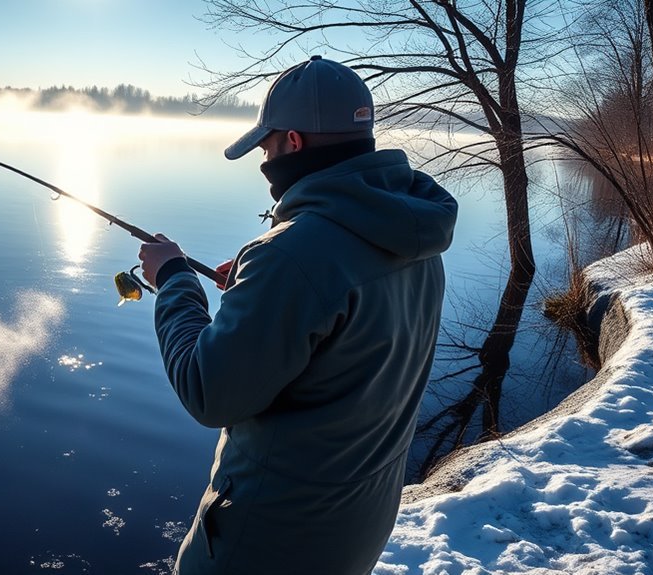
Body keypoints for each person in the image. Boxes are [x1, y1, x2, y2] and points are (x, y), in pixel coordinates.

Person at [138, 56, 458, 575]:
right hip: (355, 528)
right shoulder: (416, 234)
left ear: (292, 142)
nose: (264, 163)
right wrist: (260, 292)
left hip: (266, 544)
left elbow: (208, 391)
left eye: (265, 148)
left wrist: (174, 278)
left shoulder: (293, 256)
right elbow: (343, 334)